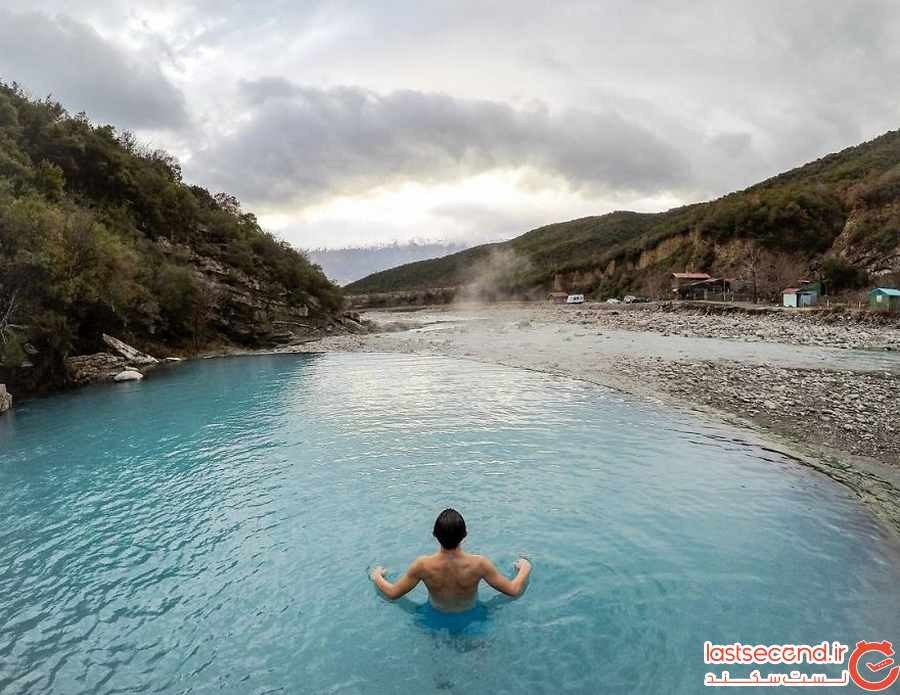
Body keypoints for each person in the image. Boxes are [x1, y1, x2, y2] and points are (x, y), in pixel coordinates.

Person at [370, 508, 532, 612]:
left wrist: (377, 576)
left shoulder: (423, 565)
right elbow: (513, 590)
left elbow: (392, 593)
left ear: (434, 535)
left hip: (433, 618)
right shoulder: (479, 564)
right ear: (465, 535)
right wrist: (525, 567)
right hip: (472, 617)